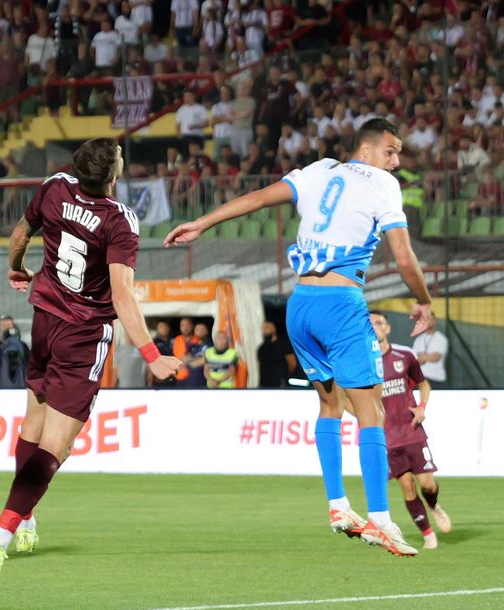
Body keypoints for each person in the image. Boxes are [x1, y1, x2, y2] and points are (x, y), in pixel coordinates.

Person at [166, 118, 434, 558]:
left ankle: (338, 505)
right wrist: (423, 300)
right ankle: (382, 521)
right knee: (372, 412)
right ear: (366, 150)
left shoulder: (319, 170)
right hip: (340, 306)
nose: (396, 161)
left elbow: (258, 198)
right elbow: (404, 258)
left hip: (300, 306)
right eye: (390, 151)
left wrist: (203, 222)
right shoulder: (383, 184)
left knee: (329, 404)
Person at [0, 138, 181, 599]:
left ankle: (26, 518)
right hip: (83, 336)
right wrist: (152, 354)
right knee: (57, 447)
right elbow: (122, 295)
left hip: (44, 319)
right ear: (113, 177)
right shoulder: (119, 219)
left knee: (32, 427)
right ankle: (0, 535)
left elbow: (19, 235)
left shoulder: (54, 186)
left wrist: (16, 268)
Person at [356, 311, 452, 550]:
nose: (374, 327)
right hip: (388, 438)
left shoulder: (405, 355)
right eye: (370, 324)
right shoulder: (363, 363)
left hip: (412, 432)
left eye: (378, 323)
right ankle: (428, 534)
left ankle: (434, 505)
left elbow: (423, 384)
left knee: (427, 484)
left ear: (387, 328)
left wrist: (421, 407)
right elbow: (354, 398)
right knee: (407, 486)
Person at [0, 316, 31, 389]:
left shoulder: (22, 345)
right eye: (4, 326)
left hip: (21, 386)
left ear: (13, 327)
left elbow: (30, 365)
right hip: (1, 385)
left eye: (9, 325)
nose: (7, 328)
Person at [257, 320, 297, 387]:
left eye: (266, 327)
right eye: (263, 329)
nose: (264, 331)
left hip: (280, 384)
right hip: (264, 385)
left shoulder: (283, 344)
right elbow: (260, 366)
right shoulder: (261, 348)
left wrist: (284, 377)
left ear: (273, 329)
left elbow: (292, 364)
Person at [411, 315, 448, 386]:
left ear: (435, 321)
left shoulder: (441, 339)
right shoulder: (419, 339)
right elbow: (414, 360)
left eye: (430, 319)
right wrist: (427, 357)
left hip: (436, 379)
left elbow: (435, 357)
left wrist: (422, 356)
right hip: (420, 379)